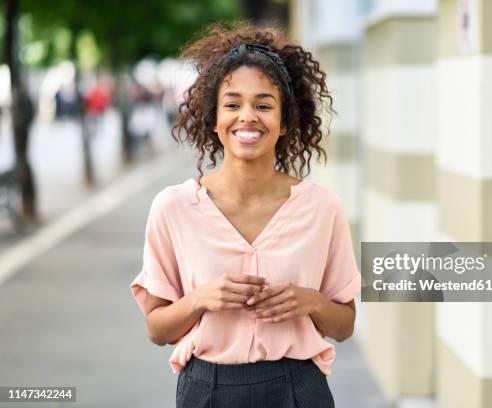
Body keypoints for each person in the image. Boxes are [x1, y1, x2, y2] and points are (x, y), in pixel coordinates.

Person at [129, 22, 361, 408]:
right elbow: (156, 328)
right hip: (206, 388)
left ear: (285, 121)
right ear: (215, 120)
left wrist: (311, 302)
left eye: (264, 105)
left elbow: (345, 325)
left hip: (299, 387)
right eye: (233, 104)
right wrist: (201, 298)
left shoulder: (322, 208)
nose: (248, 116)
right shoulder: (173, 208)